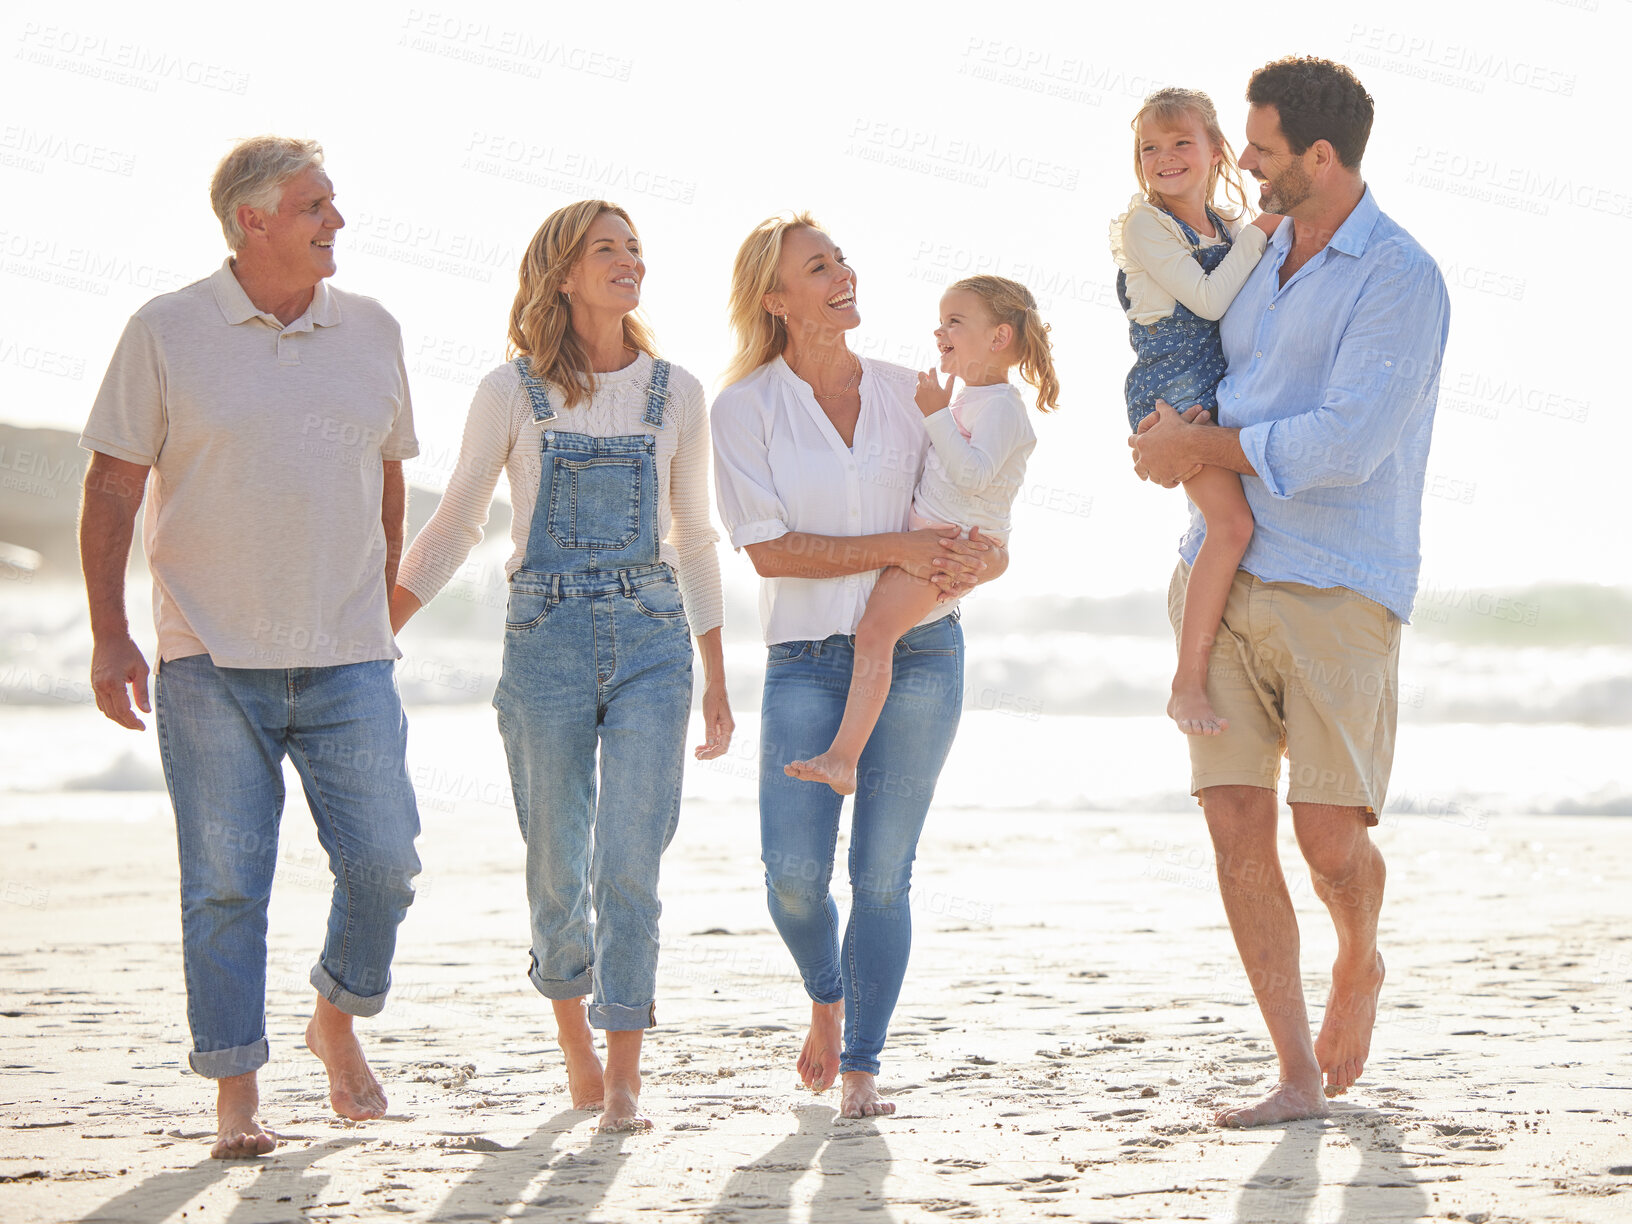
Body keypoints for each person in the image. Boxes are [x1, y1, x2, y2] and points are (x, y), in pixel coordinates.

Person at [78, 136, 421, 1158]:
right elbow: (110, 487)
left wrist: (380, 608)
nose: (337, 221)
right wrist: (109, 634)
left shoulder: (373, 329)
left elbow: (389, 476)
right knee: (225, 882)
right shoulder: (167, 329)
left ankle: (335, 1016)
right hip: (205, 659)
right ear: (252, 219)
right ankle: (236, 1094)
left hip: (349, 653)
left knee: (388, 865)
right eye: (316, 205)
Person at [1130, 57, 1451, 1127]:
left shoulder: (1401, 277)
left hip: (1337, 582)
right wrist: (1164, 443)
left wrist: (1199, 444)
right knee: (1234, 832)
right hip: (1221, 575)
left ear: (1319, 156)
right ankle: (1295, 1075)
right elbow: (1192, 356)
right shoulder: (1251, 252)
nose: (1245, 165)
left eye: (1260, 149)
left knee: (1327, 842)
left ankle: (1360, 955)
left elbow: (1346, 445)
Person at [390, 200, 732, 1133]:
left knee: (630, 857)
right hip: (542, 641)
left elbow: (696, 535)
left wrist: (717, 675)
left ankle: (623, 1070)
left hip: (655, 637)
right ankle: (574, 1038)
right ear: (563, 274)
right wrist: (380, 625)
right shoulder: (511, 392)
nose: (628, 262)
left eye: (635, 248)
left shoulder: (679, 391)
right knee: (556, 858)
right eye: (606, 250)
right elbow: (459, 519)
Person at [712, 214, 1005, 1119]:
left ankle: (862, 1069)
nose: (843, 274)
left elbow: (977, 513)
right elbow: (768, 551)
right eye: (818, 267)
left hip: (922, 652)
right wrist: (900, 548)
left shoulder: (912, 393)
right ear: (777, 298)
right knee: (793, 877)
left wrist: (978, 560)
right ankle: (826, 997)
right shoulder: (743, 409)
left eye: (840, 260)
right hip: (803, 660)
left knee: (883, 875)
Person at [785, 274, 1055, 794]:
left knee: (875, 633)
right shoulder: (970, 401)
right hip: (935, 537)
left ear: (999, 338)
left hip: (947, 546)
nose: (940, 331)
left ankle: (843, 759)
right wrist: (941, 412)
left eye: (955, 321)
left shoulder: (1001, 407)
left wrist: (935, 415)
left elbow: (974, 474)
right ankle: (847, 756)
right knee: (877, 633)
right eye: (940, 320)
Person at [1112, 86, 1280, 737]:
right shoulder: (1145, 224)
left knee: (1232, 526)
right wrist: (1265, 231)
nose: (1166, 156)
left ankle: (1238, 655)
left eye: (1182, 141)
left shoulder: (1227, 227)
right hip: (1172, 390)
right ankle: (1185, 687)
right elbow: (1209, 300)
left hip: (1219, 386)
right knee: (1230, 526)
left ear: (1216, 151)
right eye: (1150, 147)